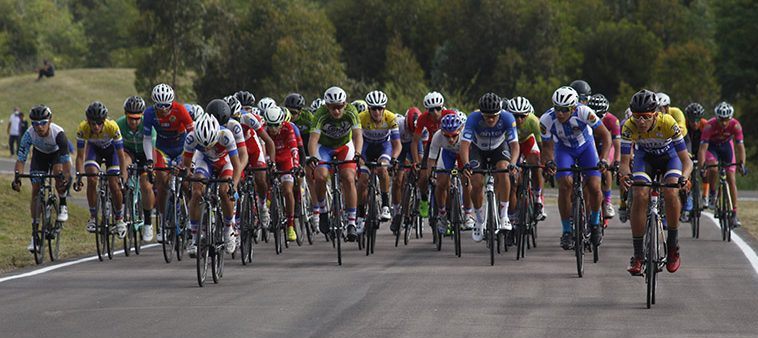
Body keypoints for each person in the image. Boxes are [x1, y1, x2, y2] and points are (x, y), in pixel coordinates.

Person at [620, 89, 692, 275]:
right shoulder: (629, 126)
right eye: (637, 116)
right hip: (645, 160)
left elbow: (687, 161)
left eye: (645, 116)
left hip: (670, 158)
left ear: (655, 114)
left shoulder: (668, 122)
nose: (641, 121)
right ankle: (637, 256)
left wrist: (684, 177)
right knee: (640, 194)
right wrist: (625, 176)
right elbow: (625, 163)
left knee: (670, 192)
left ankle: (673, 247)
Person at [540, 86, 612, 250]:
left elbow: (606, 135)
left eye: (564, 110)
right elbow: (547, 147)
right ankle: (566, 231)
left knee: (594, 186)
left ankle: (595, 224)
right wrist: (550, 162)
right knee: (565, 185)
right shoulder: (546, 120)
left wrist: (604, 158)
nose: (560, 113)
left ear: (573, 108)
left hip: (586, 147)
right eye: (557, 108)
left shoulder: (584, 112)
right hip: (564, 149)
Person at [460, 93, 520, 242]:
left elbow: (515, 145)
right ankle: (480, 220)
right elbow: (465, 145)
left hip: (498, 148)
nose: (491, 119)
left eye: (494, 116)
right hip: (478, 149)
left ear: (499, 113)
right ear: (481, 114)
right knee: (477, 182)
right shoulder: (473, 118)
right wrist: (466, 164)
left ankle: (504, 215)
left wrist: (513, 163)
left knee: (504, 169)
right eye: (487, 116)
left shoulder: (508, 118)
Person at [12, 105, 72, 252]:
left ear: (50, 121)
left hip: (57, 155)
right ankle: (35, 235)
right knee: (36, 189)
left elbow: (66, 163)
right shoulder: (29, 134)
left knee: (58, 173)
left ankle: (63, 204)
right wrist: (17, 178)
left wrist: (65, 179)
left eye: (43, 123)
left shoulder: (58, 134)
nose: (39, 127)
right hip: (40, 156)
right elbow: (21, 159)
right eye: (35, 123)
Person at [183, 111, 243, 256]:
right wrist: (189, 177)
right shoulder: (191, 138)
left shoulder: (226, 135)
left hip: (225, 162)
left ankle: (229, 230)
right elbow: (186, 167)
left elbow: (237, 166)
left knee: (224, 191)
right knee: (197, 192)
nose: (209, 148)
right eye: (205, 146)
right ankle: (195, 235)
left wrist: (233, 186)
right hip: (204, 162)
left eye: (211, 144)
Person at [307, 86, 362, 241]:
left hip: (345, 146)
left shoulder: (351, 111)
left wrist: (357, 153)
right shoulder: (320, 114)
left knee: (349, 178)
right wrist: (312, 157)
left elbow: (358, 135)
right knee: (320, 176)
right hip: (324, 148)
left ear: (345, 104)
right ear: (327, 106)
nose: (337, 111)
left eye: (339, 107)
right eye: (333, 108)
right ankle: (323, 211)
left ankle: (351, 221)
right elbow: (313, 140)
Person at [142, 83, 194, 242]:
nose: (163, 109)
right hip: (163, 149)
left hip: (181, 149)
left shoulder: (180, 110)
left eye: (166, 105)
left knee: (186, 183)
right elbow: (147, 138)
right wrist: (150, 160)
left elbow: (193, 134)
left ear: (171, 102)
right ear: (154, 104)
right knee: (161, 182)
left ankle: (193, 220)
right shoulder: (150, 113)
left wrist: (191, 160)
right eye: (159, 105)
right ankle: (164, 223)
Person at [73, 101, 128, 239]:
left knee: (114, 184)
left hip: (112, 153)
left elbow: (121, 156)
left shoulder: (112, 127)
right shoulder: (82, 128)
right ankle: (93, 217)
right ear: (88, 121)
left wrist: (123, 177)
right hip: (94, 151)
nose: (96, 126)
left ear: (104, 121)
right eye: (92, 123)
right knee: (91, 178)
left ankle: (119, 218)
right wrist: (79, 176)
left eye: (99, 123)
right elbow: (80, 157)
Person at [356, 90, 401, 232]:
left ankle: (386, 205)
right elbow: (356, 140)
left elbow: (397, 144)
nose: (377, 112)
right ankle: (360, 216)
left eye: (380, 108)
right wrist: (357, 156)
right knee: (363, 179)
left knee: (382, 169)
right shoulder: (361, 117)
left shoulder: (391, 118)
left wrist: (393, 159)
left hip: (383, 147)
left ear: (384, 108)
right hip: (366, 147)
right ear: (368, 109)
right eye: (373, 109)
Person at [698, 101, 746, 227]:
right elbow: (703, 148)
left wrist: (742, 164)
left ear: (730, 118)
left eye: (726, 120)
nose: (724, 123)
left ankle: (734, 213)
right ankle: (713, 194)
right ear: (717, 118)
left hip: (726, 146)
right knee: (713, 169)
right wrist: (702, 166)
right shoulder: (709, 126)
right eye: (721, 120)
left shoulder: (736, 126)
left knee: (731, 179)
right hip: (712, 147)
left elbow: (740, 146)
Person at [116, 96, 156, 241]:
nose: (133, 122)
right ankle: (124, 188)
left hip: (146, 154)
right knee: (124, 162)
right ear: (125, 114)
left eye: (137, 118)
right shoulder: (119, 124)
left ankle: (147, 222)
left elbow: (152, 147)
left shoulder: (148, 124)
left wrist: (151, 167)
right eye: (130, 118)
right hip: (129, 152)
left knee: (146, 186)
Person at [262, 106, 301, 241]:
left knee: (288, 190)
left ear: (282, 122)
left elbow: (294, 148)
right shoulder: (263, 128)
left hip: (285, 159)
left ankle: (290, 225)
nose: (272, 129)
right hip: (269, 157)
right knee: (263, 179)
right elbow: (261, 149)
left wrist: (295, 165)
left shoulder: (288, 128)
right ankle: (265, 205)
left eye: (276, 125)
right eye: (270, 125)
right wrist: (267, 162)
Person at [507, 96, 546, 221]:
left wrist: (544, 164)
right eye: (515, 116)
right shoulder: (506, 121)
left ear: (527, 115)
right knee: (513, 180)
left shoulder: (534, 121)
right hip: (512, 145)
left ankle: (538, 199)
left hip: (528, 141)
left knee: (535, 164)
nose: (519, 119)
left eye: (522, 116)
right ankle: (511, 216)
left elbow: (541, 145)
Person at [588, 94, 621, 220]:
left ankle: (607, 201)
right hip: (591, 144)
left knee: (605, 165)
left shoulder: (612, 120)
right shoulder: (586, 116)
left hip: (606, 145)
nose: (597, 118)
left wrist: (617, 162)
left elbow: (617, 144)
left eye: (600, 115)